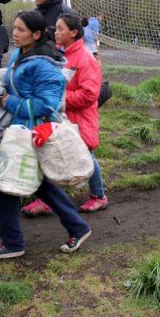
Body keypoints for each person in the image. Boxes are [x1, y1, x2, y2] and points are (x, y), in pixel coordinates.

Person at [0, 11, 91, 260]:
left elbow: (47, 105)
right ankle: (78, 226)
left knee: (3, 185)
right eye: (16, 28)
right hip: (21, 129)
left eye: (21, 30)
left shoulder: (43, 64)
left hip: (33, 132)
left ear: (37, 34)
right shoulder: (21, 55)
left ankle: (12, 243)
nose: (15, 32)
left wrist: (8, 101)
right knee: (39, 184)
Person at [21, 14, 108, 217]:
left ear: (74, 32)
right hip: (59, 116)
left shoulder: (86, 59)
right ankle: (48, 200)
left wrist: (58, 98)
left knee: (86, 154)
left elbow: (89, 94)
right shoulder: (60, 55)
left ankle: (99, 196)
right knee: (52, 153)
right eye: (56, 28)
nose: (56, 32)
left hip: (79, 118)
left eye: (60, 29)